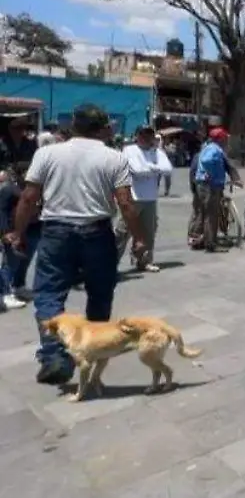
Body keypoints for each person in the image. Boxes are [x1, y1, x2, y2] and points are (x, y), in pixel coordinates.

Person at [3, 104, 147, 385]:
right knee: (100, 295)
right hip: (97, 233)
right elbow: (126, 203)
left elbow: (29, 197)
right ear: (103, 128)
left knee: (49, 294)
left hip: (56, 232)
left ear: (73, 126)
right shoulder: (114, 158)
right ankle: (92, 348)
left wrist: (18, 233)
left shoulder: (47, 154)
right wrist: (140, 238)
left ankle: (54, 354)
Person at [115, 125, 173, 272]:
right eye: (142, 134)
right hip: (132, 198)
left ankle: (144, 261)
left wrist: (150, 168)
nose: (146, 137)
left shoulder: (158, 152)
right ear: (137, 136)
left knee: (149, 231)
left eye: (149, 134)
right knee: (123, 232)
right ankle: (111, 263)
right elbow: (137, 170)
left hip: (150, 198)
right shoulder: (129, 150)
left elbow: (168, 169)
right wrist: (155, 168)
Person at [0, 117, 40, 304]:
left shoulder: (30, 145)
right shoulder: (2, 144)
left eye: (24, 127)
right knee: (11, 254)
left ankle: (18, 285)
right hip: (10, 207)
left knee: (28, 251)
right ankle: (5, 291)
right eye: (17, 127)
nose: (21, 130)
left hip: (30, 209)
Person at [192, 128, 240, 252]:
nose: (227, 140)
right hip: (210, 185)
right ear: (221, 139)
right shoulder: (215, 149)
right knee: (211, 215)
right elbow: (207, 161)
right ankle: (210, 244)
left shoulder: (207, 148)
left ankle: (197, 240)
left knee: (203, 212)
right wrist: (210, 173)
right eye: (225, 138)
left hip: (203, 183)